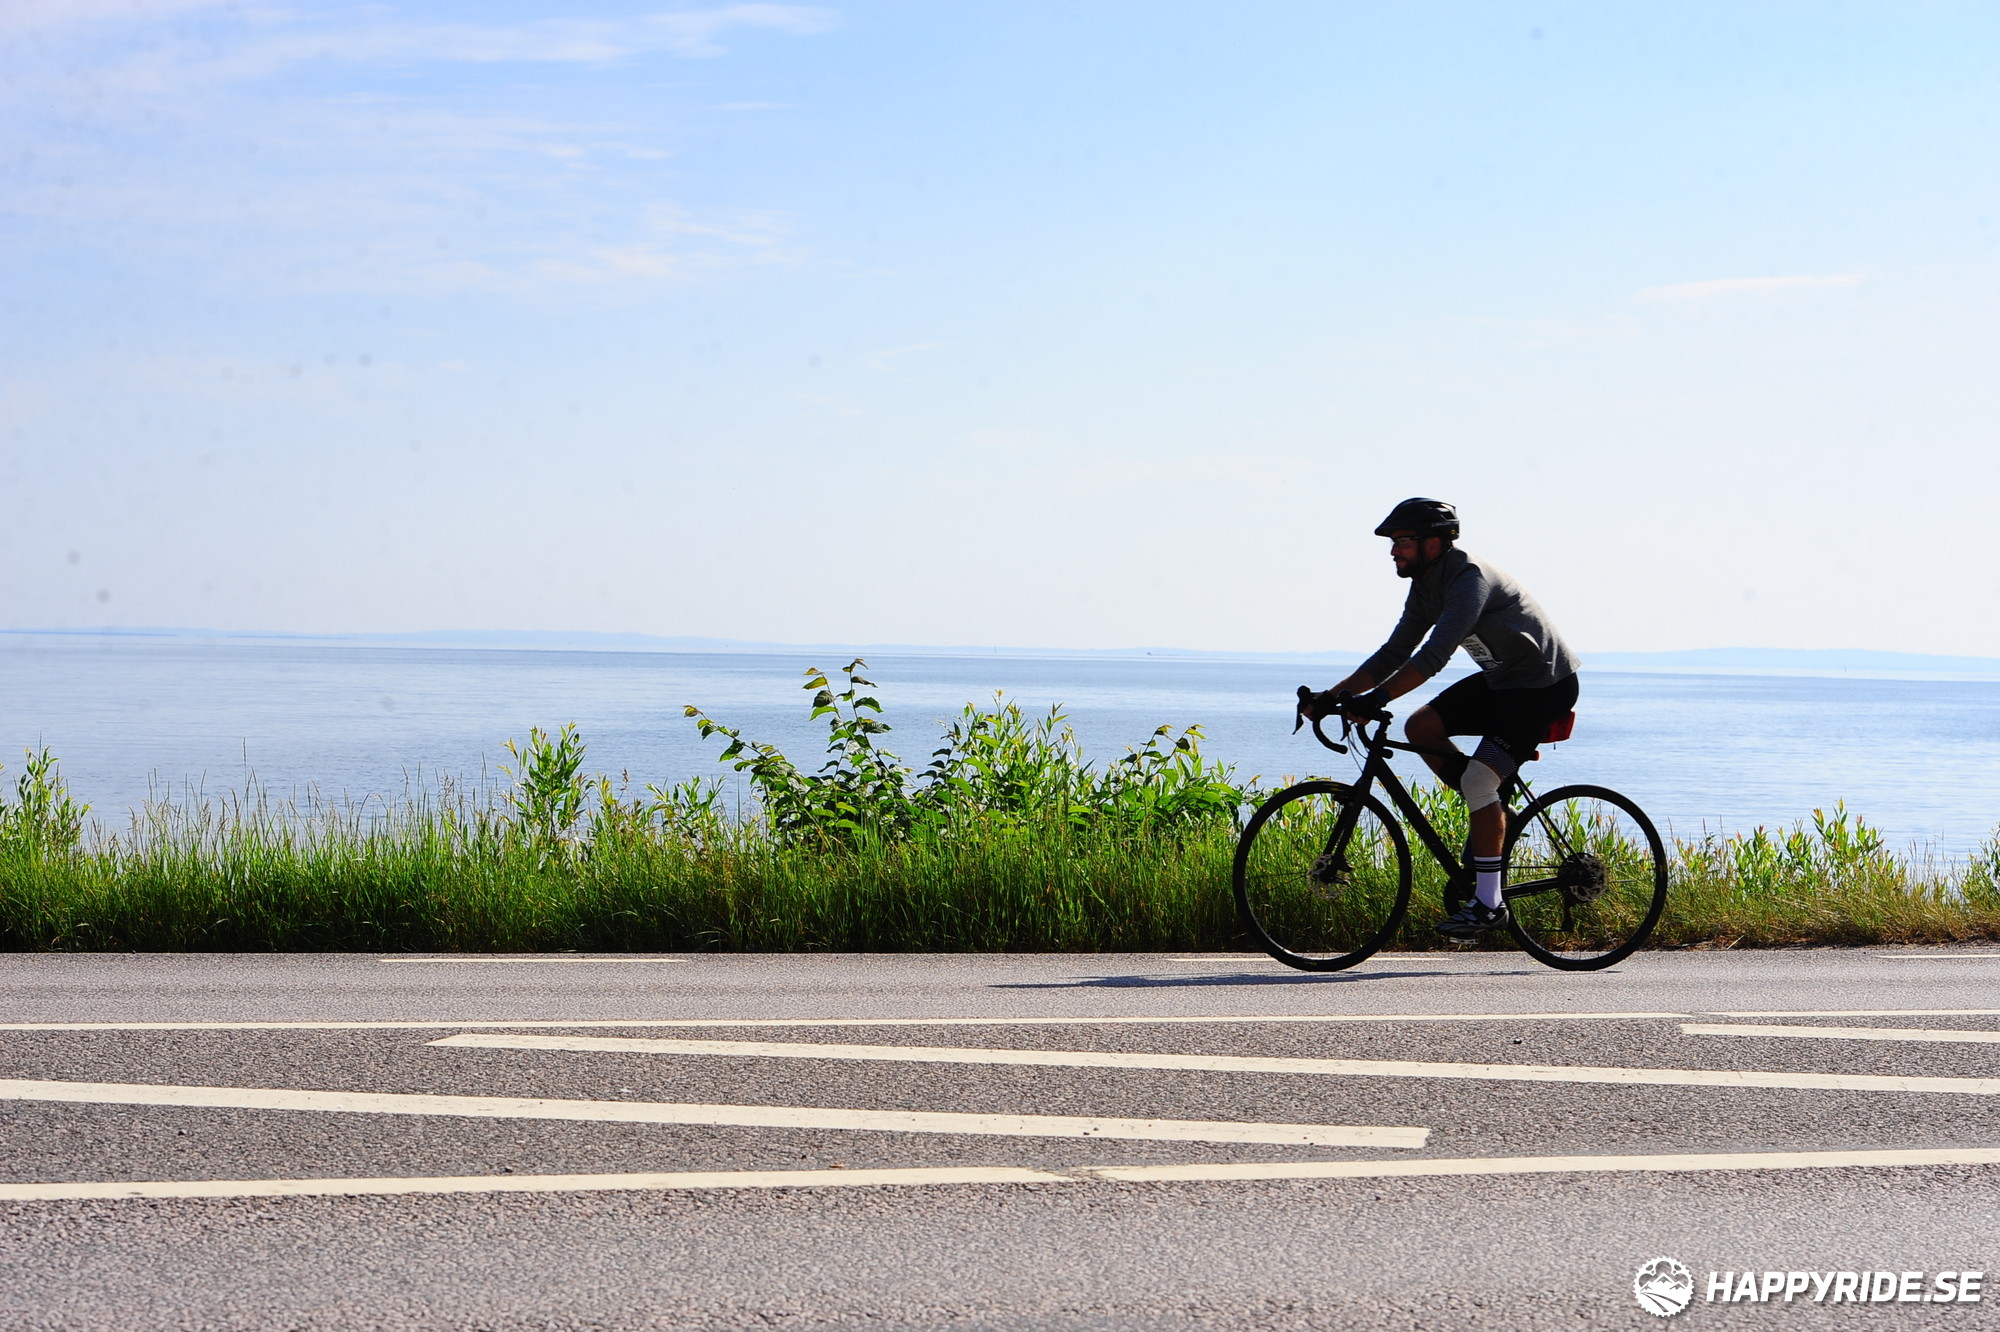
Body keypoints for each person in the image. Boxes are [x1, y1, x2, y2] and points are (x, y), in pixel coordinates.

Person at [1305, 498, 1579, 937]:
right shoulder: (1425, 586)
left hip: (1543, 685)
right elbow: (1394, 653)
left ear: (1433, 543)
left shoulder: (1469, 578)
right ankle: (1494, 809)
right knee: (1421, 727)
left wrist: (1378, 698)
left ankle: (1489, 905)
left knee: (1477, 780)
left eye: (1402, 541)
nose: (1393, 550)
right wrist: (1332, 697)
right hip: (1502, 682)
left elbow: (1434, 655)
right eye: (1394, 542)